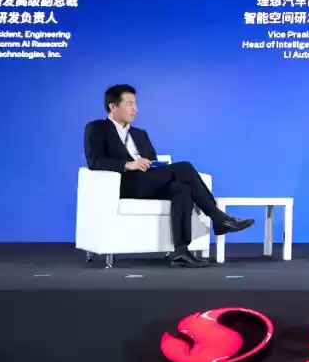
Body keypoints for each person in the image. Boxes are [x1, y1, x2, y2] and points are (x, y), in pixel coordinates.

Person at [83, 84, 254, 268]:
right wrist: (128, 164)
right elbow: (95, 161)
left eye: (135, 103)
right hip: (124, 183)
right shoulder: (97, 128)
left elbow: (152, 160)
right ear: (113, 106)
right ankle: (218, 218)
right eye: (129, 103)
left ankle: (181, 251)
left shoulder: (139, 133)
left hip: (148, 180)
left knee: (183, 188)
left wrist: (150, 164)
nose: (135, 109)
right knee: (185, 167)